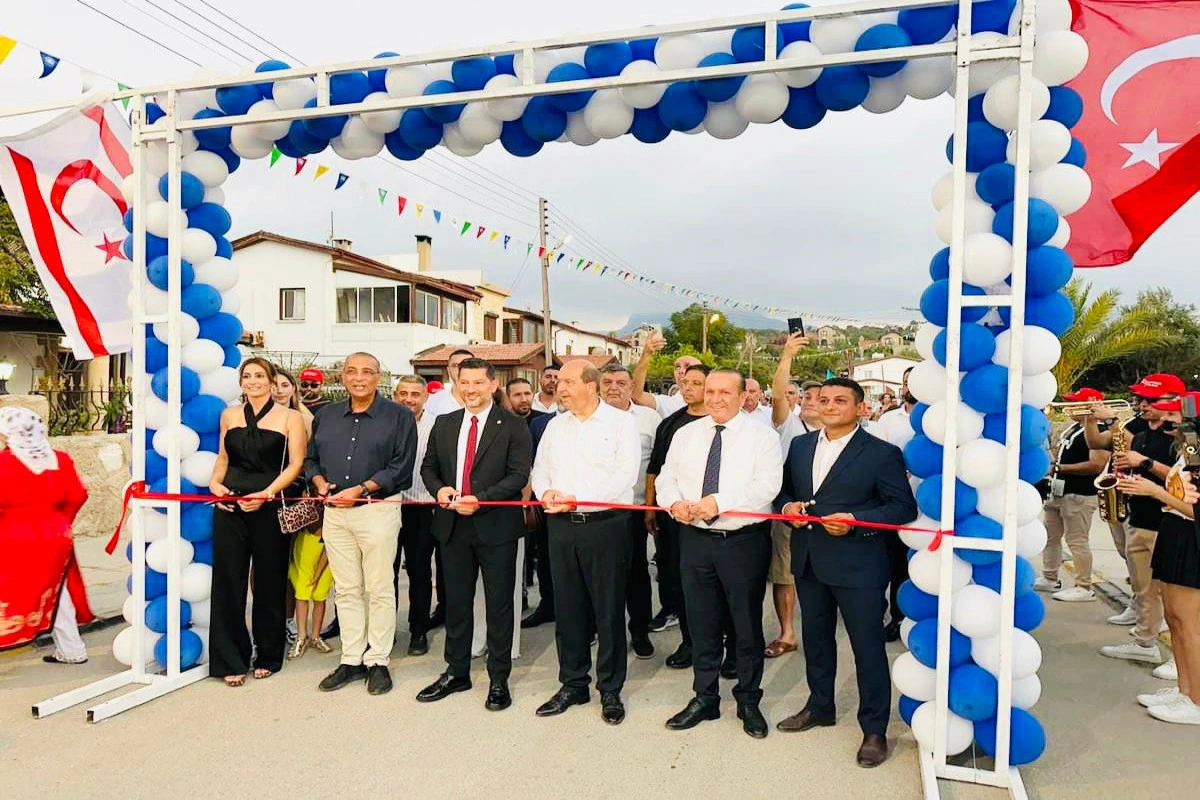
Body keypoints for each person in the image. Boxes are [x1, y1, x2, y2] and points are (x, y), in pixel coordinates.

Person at [774, 377, 918, 768]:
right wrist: (788, 509)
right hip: (809, 560)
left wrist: (856, 521)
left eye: (840, 400)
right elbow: (783, 492)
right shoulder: (801, 446)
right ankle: (820, 705)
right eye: (823, 399)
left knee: (867, 648)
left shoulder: (882, 453)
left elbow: (901, 508)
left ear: (860, 408)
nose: (829, 406)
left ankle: (874, 729)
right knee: (816, 640)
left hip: (859, 565)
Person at [656, 369, 783, 739]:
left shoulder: (762, 437)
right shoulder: (686, 434)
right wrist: (674, 503)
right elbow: (666, 478)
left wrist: (718, 502)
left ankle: (748, 699)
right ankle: (705, 697)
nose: (715, 398)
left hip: (742, 542)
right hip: (695, 539)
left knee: (745, 623)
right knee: (701, 622)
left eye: (725, 392)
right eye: (710, 391)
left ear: (743, 396)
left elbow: (767, 486)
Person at [416, 359, 532, 711]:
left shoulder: (513, 425)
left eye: (478, 382)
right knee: (456, 603)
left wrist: (479, 499)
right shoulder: (445, 423)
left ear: (493, 385)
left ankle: (499, 678)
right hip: (452, 526)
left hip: (495, 526)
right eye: (464, 382)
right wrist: (440, 490)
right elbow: (429, 467)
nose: (470, 389)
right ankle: (457, 671)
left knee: (499, 605)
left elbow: (517, 475)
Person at [530, 359, 641, 724]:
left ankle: (610, 688)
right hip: (561, 526)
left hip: (606, 525)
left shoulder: (621, 423)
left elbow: (625, 475)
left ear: (591, 386)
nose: (559, 387)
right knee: (568, 608)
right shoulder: (555, 426)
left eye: (568, 382)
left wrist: (578, 499)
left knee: (608, 609)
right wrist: (547, 493)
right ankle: (573, 683)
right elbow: (540, 471)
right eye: (559, 382)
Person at [305, 352, 416, 695]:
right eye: (351, 371)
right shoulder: (325, 416)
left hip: (376, 510)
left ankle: (378, 660)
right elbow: (311, 460)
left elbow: (401, 467)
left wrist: (361, 489)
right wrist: (319, 482)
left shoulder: (399, 416)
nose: (358, 378)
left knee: (379, 587)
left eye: (367, 372)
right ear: (342, 377)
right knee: (347, 588)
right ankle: (351, 658)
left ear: (378, 378)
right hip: (335, 513)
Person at [208, 358, 308, 686]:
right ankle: (230, 659)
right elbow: (223, 458)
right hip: (230, 505)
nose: (253, 381)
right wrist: (214, 484)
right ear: (241, 382)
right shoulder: (229, 415)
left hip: (268, 505)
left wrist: (267, 493)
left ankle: (268, 655)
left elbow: (296, 464)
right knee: (228, 582)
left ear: (271, 380)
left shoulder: (291, 417)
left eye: (259, 376)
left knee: (269, 581)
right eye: (247, 376)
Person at [646, 364, 735, 671]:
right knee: (683, 584)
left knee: (727, 590)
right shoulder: (673, 426)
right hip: (680, 521)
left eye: (698, 383)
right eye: (686, 382)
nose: (689, 388)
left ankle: (732, 648)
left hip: (727, 526)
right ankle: (690, 642)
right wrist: (654, 507)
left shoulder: (739, 428)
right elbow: (658, 471)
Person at [1094, 374, 1185, 666]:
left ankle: (1179, 660)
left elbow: (1182, 479)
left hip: (1168, 524)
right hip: (1140, 520)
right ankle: (1145, 642)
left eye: (1151, 400)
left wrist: (1144, 463)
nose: (1143, 404)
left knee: (1174, 600)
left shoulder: (1181, 439)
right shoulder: (1143, 435)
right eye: (1141, 398)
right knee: (1144, 590)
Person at [1123, 393, 1200, 723]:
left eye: (1177, 415)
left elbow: (1194, 509)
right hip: (1173, 531)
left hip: (1189, 538)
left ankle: (1196, 700)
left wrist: (1154, 491)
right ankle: (1185, 689)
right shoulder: (1186, 452)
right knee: (1174, 618)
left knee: (1189, 623)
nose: (1169, 420)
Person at [0, 408, 93, 661]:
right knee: (56, 591)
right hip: (56, 534)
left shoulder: (4, 464)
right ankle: (72, 649)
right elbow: (78, 495)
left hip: (13, 536)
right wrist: (61, 522)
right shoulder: (60, 459)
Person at [600, 363, 662, 660]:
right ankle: (603, 631)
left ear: (631, 387)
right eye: (607, 382)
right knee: (600, 576)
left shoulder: (649, 419)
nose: (614, 387)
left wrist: (651, 506)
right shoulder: (588, 417)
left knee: (635, 574)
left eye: (621, 382)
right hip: (597, 511)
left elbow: (657, 466)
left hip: (634, 508)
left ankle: (639, 631)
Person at [764, 332, 812, 659]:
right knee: (784, 574)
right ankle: (787, 633)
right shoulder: (788, 425)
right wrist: (788, 356)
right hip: (789, 511)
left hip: (830, 516)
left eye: (825, 399)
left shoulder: (851, 435)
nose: (815, 403)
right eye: (808, 398)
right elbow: (779, 392)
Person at [1034, 399, 1109, 602]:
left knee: (1077, 541)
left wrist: (1059, 468)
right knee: (1051, 536)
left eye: (1076, 404)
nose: (1071, 408)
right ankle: (1050, 576)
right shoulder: (1075, 428)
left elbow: (1096, 464)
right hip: (1060, 490)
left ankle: (1083, 585)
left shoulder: (1099, 431)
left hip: (1079, 493)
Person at [393, 375, 441, 657]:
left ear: (425, 397)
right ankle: (385, 630)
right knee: (385, 573)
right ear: (395, 395)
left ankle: (418, 629)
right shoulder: (387, 422)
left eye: (414, 394)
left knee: (419, 571)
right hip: (388, 505)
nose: (408, 399)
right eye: (403, 393)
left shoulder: (437, 425)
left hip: (423, 506)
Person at [868, 366, 916, 642]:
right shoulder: (889, 420)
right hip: (896, 506)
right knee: (895, 566)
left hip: (932, 507)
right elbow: (876, 459)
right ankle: (896, 618)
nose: (911, 387)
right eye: (907, 381)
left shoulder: (943, 417)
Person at [522, 390, 562, 629]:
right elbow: (532, 463)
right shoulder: (540, 424)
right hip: (545, 502)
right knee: (546, 557)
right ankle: (548, 605)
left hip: (583, 506)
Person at [632, 332, 703, 417]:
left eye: (687, 366)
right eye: (677, 367)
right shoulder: (669, 403)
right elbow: (637, 395)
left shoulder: (712, 401)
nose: (681, 371)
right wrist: (646, 354)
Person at [424, 349, 475, 418]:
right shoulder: (433, 401)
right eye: (455, 365)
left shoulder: (484, 400)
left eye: (466, 365)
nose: (460, 369)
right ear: (448, 370)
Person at [273, 368, 315, 436]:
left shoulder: (306, 420)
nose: (280, 391)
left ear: (293, 388)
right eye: (274, 385)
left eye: (285, 385)